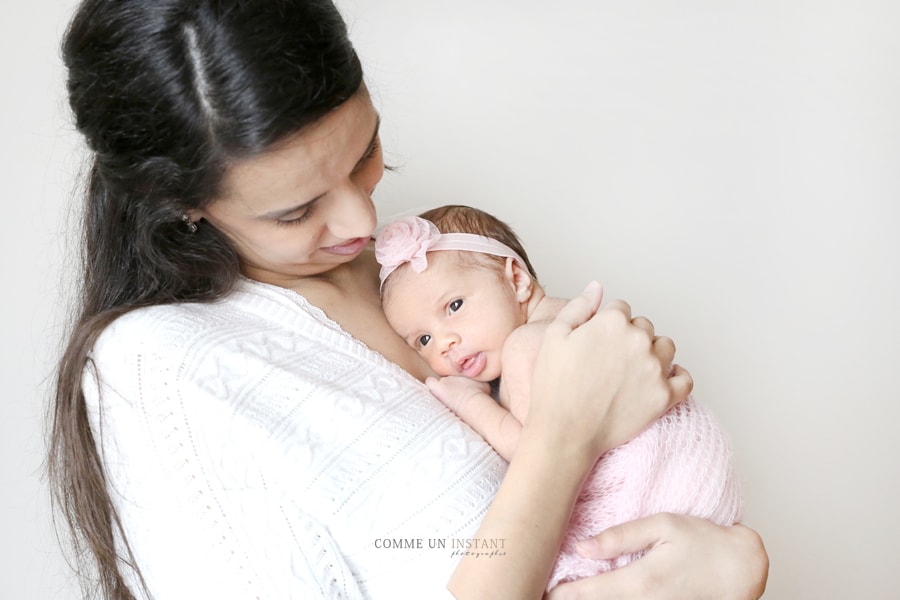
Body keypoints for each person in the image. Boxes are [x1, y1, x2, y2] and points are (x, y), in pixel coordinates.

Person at [47, 1, 768, 599]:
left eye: (364, 154)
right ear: (180, 204)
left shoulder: (422, 284)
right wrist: (568, 431)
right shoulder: (160, 371)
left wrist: (735, 565)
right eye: (296, 213)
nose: (365, 223)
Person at [375, 205, 745, 591]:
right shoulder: (569, 318)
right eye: (423, 340)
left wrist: (470, 403)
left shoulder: (526, 346)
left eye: (454, 306)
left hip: (659, 491)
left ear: (516, 279)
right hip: (704, 501)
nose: (445, 343)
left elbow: (531, 452)